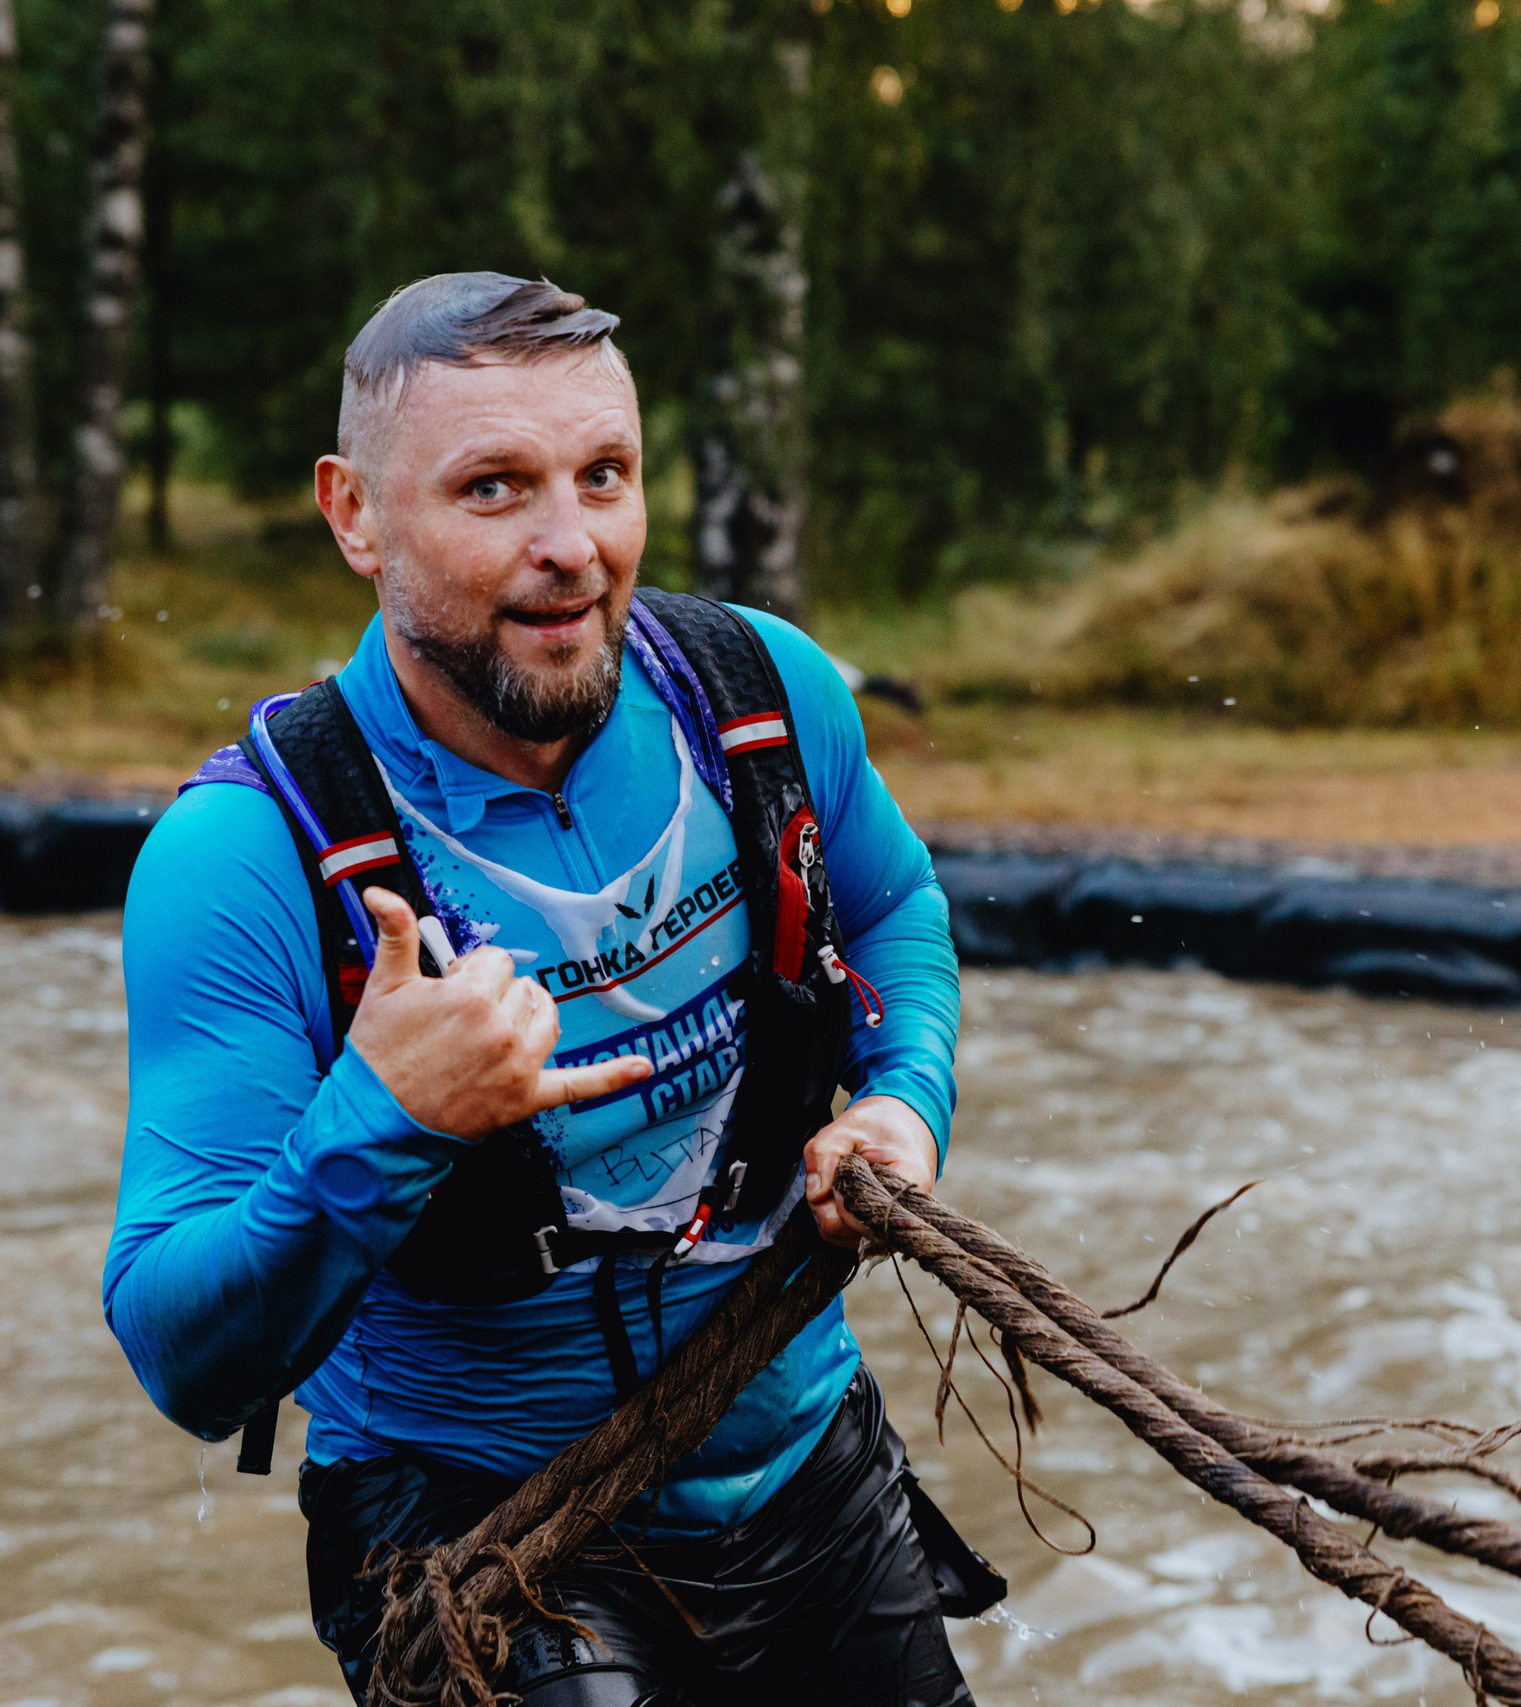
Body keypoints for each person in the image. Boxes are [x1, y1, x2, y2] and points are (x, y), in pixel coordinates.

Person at [104, 274, 976, 1706]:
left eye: (606, 476)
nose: (572, 546)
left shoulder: (765, 696)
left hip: (805, 1465)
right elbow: (185, 1358)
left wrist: (902, 1104)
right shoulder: (244, 860)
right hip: (476, 1537)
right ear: (355, 514)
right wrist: (381, 1116)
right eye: (495, 488)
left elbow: (893, 914)